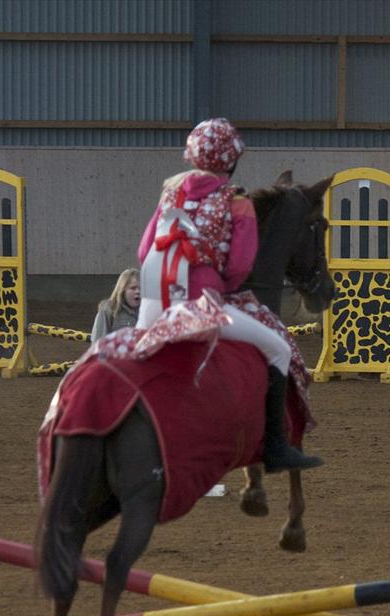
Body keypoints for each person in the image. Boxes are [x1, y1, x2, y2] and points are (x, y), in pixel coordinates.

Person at [136, 117, 322, 473]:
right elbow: (239, 266)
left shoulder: (169, 195)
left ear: (192, 157)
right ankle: (276, 447)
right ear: (233, 161)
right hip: (202, 308)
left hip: (152, 306)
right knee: (279, 349)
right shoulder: (236, 201)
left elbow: (145, 250)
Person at [90, 268, 140, 342]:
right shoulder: (108, 310)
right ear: (122, 290)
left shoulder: (147, 312)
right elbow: (98, 343)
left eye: (141, 288)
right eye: (133, 288)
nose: (138, 291)